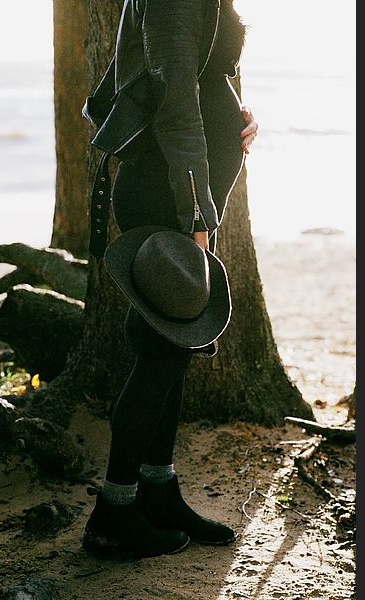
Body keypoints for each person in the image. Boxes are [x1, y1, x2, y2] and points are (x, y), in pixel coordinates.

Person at [82, 0, 258, 559]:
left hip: (176, 183)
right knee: (160, 356)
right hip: (165, 190)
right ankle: (114, 511)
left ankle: (157, 492)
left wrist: (234, 110)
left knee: (171, 346)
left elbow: (194, 74)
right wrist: (195, 214)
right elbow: (174, 99)